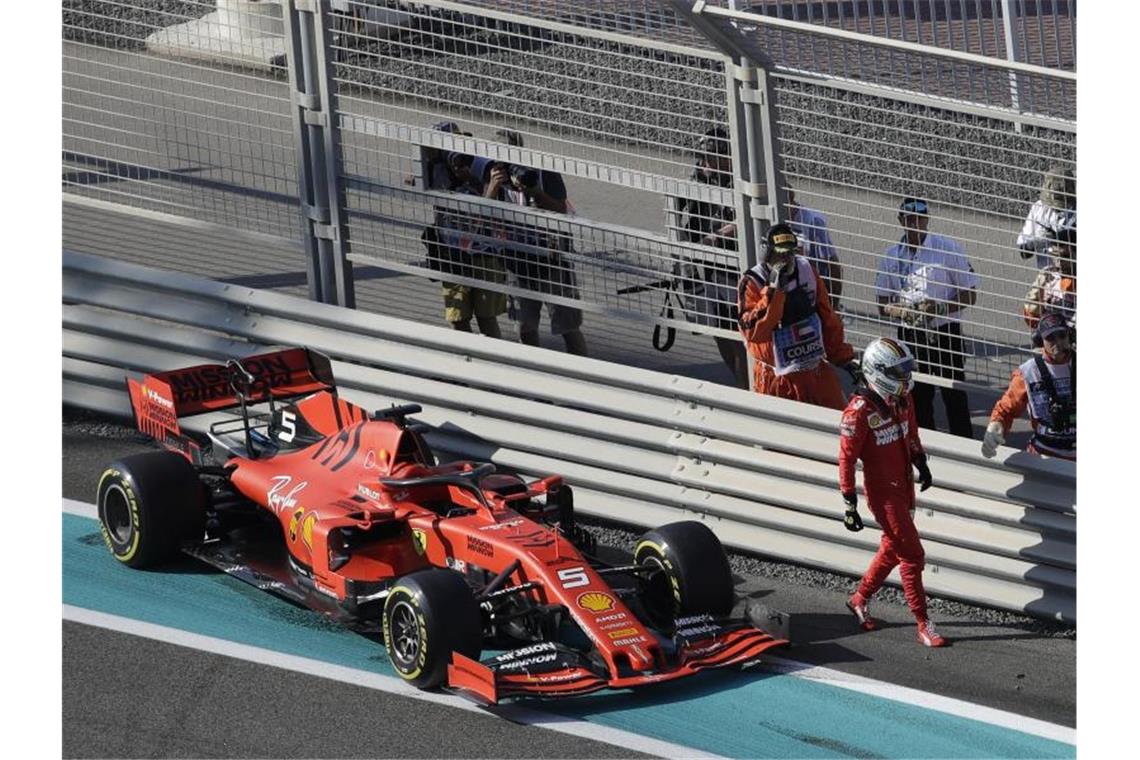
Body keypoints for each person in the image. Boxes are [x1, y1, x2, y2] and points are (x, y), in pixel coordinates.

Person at [839, 337, 945, 648]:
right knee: (912, 555)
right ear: (878, 371)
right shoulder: (857, 412)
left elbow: (911, 432)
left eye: (905, 369)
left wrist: (921, 461)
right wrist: (849, 502)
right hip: (883, 497)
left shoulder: (903, 399)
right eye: (897, 371)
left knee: (892, 548)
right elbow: (846, 459)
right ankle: (924, 622)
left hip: (906, 487)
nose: (905, 377)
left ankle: (858, 598)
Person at [875, 197, 978, 438]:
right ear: (901, 220)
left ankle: (965, 445)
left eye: (920, 218)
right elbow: (882, 303)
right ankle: (925, 447)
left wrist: (939, 308)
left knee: (954, 392)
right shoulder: (892, 255)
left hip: (944, 331)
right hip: (911, 334)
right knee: (918, 395)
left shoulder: (946, 249)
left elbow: (970, 294)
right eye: (909, 218)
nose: (915, 223)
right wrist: (903, 311)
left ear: (927, 219)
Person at [481, 131, 588, 356]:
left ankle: (585, 374)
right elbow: (484, 213)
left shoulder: (542, 171)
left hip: (552, 260)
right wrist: (493, 187)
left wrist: (534, 191)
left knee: (568, 326)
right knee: (524, 326)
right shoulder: (492, 175)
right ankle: (534, 372)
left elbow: (560, 209)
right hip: (517, 261)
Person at [737, 223, 858, 409]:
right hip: (776, 377)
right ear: (767, 254)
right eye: (780, 254)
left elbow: (827, 318)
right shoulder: (752, 282)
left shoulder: (807, 270)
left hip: (814, 369)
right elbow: (754, 333)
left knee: (838, 421)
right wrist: (772, 293)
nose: (786, 259)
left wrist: (843, 357)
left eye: (790, 253)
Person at [675, 127, 749, 389]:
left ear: (726, 156)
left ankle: (746, 386)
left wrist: (717, 235)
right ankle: (738, 380)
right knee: (716, 327)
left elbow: (747, 216)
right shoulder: (699, 175)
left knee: (735, 330)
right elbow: (678, 206)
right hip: (704, 264)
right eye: (701, 156)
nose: (703, 162)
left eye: (709, 156)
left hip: (733, 264)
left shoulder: (740, 176)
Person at [421, 123, 507, 339]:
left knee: (487, 318)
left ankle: (497, 363)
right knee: (457, 317)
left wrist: (483, 183)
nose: (457, 157)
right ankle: (467, 360)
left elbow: (485, 214)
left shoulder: (481, 169)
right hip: (453, 254)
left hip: (483, 253)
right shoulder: (436, 171)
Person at [983, 313, 1075, 461]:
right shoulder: (1028, 372)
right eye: (1051, 338)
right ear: (1040, 341)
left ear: (1070, 336)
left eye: (1062, 335)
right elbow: (1006, 409)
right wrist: (996, 424)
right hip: (1043, 454)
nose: (1057, 342)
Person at [787, 188, 843, 306]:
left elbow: (832, 264)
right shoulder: (772, 219)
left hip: (811, 290)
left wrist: (833, 305)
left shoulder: (812, 221)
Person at [1017, 164, 1076, 270]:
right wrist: (1035, 243)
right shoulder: (1038, 208)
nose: (1055, 208)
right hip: (1047, 277)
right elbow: (1023, 253)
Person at [1022, 226, 1076, 331]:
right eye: (1055, 256)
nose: (1059, 262)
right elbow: (1033, 322)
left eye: (1065, 256)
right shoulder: (1048, 278)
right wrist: (1035, 298)